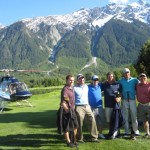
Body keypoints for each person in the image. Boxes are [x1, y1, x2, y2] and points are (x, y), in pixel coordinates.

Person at [74, 74, 99, 143]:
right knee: (79, 123)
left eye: (83, 79)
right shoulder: (74, 88)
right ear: (77, 80)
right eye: (80, 79)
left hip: (87, 106)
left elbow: (95, 83)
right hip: (79, 107)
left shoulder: (86, 86)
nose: (82, 80)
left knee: (92, 120)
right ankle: (80, 138)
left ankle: (94, 138)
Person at [118, 68, 139, 140]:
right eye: (125, 73)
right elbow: (114, 83)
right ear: (123, 74)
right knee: (125, 116)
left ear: (130, 73)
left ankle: (136, 131)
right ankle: (126, 131)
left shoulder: (134, 80)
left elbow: (142, 83)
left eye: (128, 72)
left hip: (132, 100)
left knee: (134, 116)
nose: (127, 74)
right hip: (124, 100)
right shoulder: (120, 80)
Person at [101, 72, 122, 139]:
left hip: (115, 105)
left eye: (112, 76)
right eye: (109, 76)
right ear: (107, 77)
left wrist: (119, 98)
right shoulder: (104, 85)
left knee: (116, 119)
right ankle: (111, 132)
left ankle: (117, 133)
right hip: (107, 105)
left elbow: (121, 93)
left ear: (113, 77)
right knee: (109, 120)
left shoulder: (117, 84)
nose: (110, 78)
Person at [60, 75, 79, 147]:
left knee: (76, 126)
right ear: (66, 80)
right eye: (70, 80)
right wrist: (67, 111)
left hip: (72, 110)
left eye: (73, 80)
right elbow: (63, 102)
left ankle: (73, 140)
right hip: (67, 111)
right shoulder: (65, 89)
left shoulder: (72, 88)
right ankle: (68, 142)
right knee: (67, 127)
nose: (72, 81)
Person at [88, 75, 105, 139]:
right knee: (93, 122)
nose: (95, 81)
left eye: (97, 80)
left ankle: (100, 133)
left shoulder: (100, 85)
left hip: (100, 107)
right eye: (94, 80)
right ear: (92, 81)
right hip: (92, 107)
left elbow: (106, 82)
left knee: (101, 121)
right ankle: (94, 135)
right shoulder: (88, 87)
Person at [136, 73, 150, 138]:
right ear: (139, 79)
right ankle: (147, 133)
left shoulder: (149, 84)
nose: (143, 79)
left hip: (149, 105)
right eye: (141, 78)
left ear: (146, 78)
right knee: (145, 120)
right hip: (141, 105)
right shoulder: (137, 86)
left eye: (144, 78)